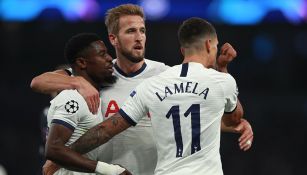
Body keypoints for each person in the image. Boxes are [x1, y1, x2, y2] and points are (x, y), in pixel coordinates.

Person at [30, 4, 253, 175]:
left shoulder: (163, 76)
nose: (139, 37)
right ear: (113, 39)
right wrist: (76, 82)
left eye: (142, 30)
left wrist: (234, 125)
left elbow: (190, 116)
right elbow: (38, 82)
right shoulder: (97, 75)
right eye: (130, 31)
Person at [43, 33, 130, 175]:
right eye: (102, 54)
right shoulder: (72, 98)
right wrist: (110, 170)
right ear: (82, 63)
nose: (109, 59)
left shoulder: (90, 96)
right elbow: (53, 149)